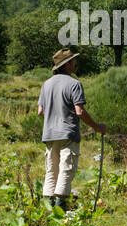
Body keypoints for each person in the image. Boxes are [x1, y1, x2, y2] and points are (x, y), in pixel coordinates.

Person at [37, 48, 106, 209]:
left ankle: (48, 209)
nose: (76, 62)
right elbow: (79, 111)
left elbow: (40, 111)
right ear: (67, 64)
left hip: (49, 133)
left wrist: (52, 119)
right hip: (68, 133)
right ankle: (61, 211)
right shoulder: (75, 84)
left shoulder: (46, 84)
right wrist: (97, 127)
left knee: (51, 171)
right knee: (66, 170)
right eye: (73, 60)